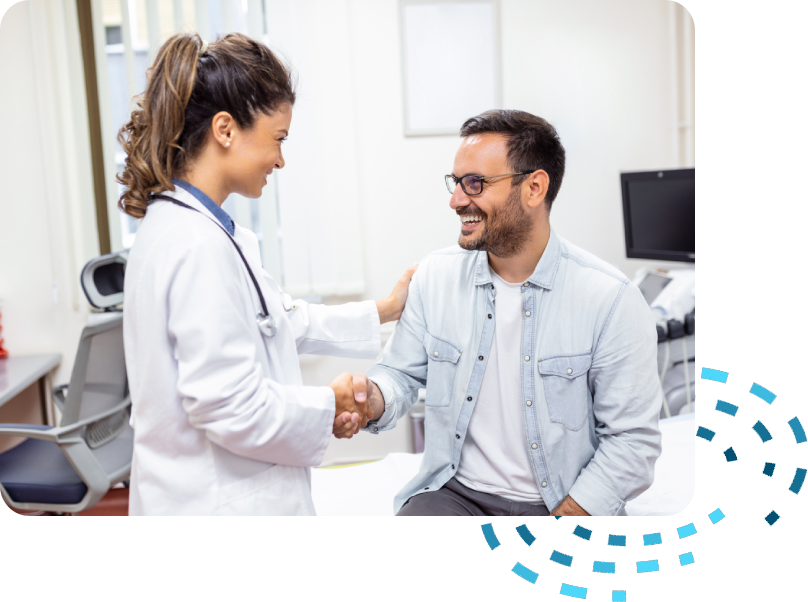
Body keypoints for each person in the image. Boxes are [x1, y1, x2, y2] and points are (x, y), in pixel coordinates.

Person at [119, 32, 416, 515]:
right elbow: (228, 407)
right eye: (278, 138)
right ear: (225, 129)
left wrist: (386, 310)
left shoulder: (197, 230)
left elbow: (279, 319)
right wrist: (328, 402)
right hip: (213, 499)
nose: (281, 158)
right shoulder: (197, 246)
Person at [352, 110, 663, 517]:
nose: (456, 200)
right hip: (455, 495)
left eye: (475, 184)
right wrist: (369, 400)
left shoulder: (610, 299)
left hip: (561, 502)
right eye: (456, 183)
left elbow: (632, 442)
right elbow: (400, 375)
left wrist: (568, 514)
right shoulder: (435, 277)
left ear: (534, 188)